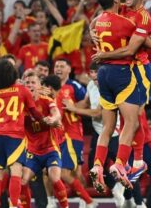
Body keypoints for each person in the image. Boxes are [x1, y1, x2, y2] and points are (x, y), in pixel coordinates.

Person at [89, 0, 151, 191]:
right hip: (125, 71)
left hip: (105, 73)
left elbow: (94, 24)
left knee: (110, 126)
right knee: (132, 121)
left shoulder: (105, 17)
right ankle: (125, 164)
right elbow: (142, 46)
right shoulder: (128, 20)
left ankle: (98, 165)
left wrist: (95, 38)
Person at [0, 58, 44, 207]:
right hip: (15, 136)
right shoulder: (22, 90)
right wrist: (45, 121)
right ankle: (14, 204)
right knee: (16, 172)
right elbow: (34, 113)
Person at [63, 62, 125, 206]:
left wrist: (74, 109)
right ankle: (115, 187)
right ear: (89, 74)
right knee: (93, 166)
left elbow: (98, 113)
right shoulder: (91, 86)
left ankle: (132, 199)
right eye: (92, 72)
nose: (95, 75)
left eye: (98, 72)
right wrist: (63, 106)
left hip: (113, 133)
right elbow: (85, 103)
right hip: (98, 132)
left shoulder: (109, 88)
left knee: (119, 166)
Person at [21, 72, 68, 208]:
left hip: (50, 149)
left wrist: (53, 119)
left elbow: (56, 113)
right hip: (32, 151)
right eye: (27, 83)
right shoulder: (21, 105)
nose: (29, 85)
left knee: (54, 178)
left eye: (33, 82)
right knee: (23, 181)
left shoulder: (46, 100)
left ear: (39, 86)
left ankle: (65, 206)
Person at [54, 59, 96, 207]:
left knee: (69, 173)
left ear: (69, 69)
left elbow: (87, 102)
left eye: (62, 66)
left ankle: (87, 202)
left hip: (72, 134)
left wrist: (72, 107)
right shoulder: (50, 87)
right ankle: (84, 202)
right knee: (73, 173)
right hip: (57, 136)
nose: (58, 68)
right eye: (57, 66)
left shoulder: (74, 86)